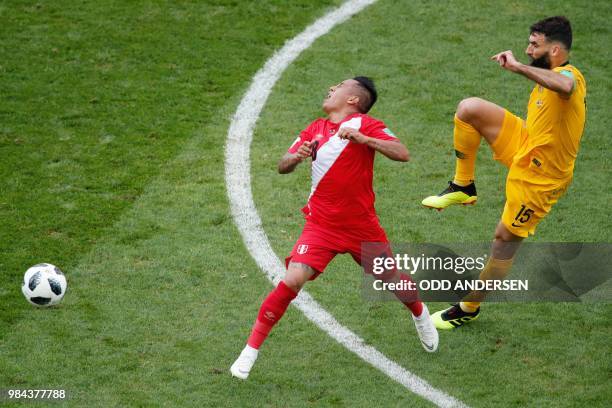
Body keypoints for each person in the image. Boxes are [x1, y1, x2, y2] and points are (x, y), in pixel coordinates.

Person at [231, 76, 439, 380]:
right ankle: (250, 350)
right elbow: (282, 164)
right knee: (292, 280)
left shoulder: (367, 125)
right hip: (321, 226)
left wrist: (365, 141)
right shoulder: (315, 128)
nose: (330, 88)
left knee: (392, 279)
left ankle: (420, 314)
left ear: (353, 99)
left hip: (361, 228)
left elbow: (401, 152)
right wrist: (297, 156)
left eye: (338, 86)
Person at [421, 16, 587, 329]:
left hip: (542, 179)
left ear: (554, 50)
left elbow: (566, 86)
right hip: (527, 145)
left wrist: (517, 68)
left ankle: (469, 308)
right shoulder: (547, 71)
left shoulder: (567, 77)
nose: (527, 50)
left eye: (534, 45)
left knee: (503, 242)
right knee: (469, 108)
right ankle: (463, 184)